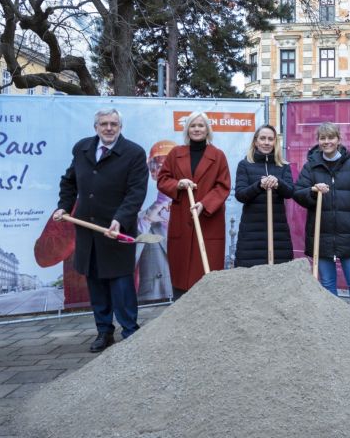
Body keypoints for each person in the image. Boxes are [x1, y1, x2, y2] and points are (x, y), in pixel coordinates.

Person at [53, 108, 149, 353]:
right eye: (104, 124)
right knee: (95, 283)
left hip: (116, 230)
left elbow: (136, 192)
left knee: (121, 284)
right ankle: (104, 331)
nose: (109, 128)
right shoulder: (82, 148)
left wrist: (120, 219)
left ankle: (130, 331)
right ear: (95, 126)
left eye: (113, 124)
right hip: (89, 230)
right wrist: (64, 206)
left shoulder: (134, 153)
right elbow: (69, 181)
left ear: (120, 127)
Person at [294, 122, 350, 318]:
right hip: (321, 233)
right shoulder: (311, 166)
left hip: (349, 234)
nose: (327, 142)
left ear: (339, 140)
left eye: (331, 137)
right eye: (323, 138)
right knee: (327, 282)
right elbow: (298, 192)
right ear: (318, 141)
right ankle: (333, 322)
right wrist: (313, 191)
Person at [157, 111, 231, 297]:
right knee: (181, 272)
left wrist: (204, 205)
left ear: (207, 130)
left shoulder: (218, 155)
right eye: (193, 125)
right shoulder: (176, 154)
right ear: (187, 129)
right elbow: (163, 179)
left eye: (201, 125)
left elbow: (223, 186)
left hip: (208, 221)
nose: (196, 129)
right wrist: (178, 184)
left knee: (207, 272)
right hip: (182, 219)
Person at [234, 124, 294, 267]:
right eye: (262, 138)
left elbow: (290, 192)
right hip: (251, 233)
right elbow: (240, 195)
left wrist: (278, 183)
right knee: (250, 277)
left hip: (278, 233)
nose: (266, 142)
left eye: (270, 139)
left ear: (275, 142)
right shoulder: (245, 165)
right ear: (255, 141)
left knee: (279, 277)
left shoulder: (283, 166)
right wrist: (259, 185)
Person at [136, 140, 177, 301]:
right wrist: (147, 220)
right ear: (153, 172)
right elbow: (127, 262)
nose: (166, 171)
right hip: (154, 302)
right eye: (160, 166)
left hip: (191, 297)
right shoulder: (141, 219)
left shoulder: (196, 211)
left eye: (172, 165)